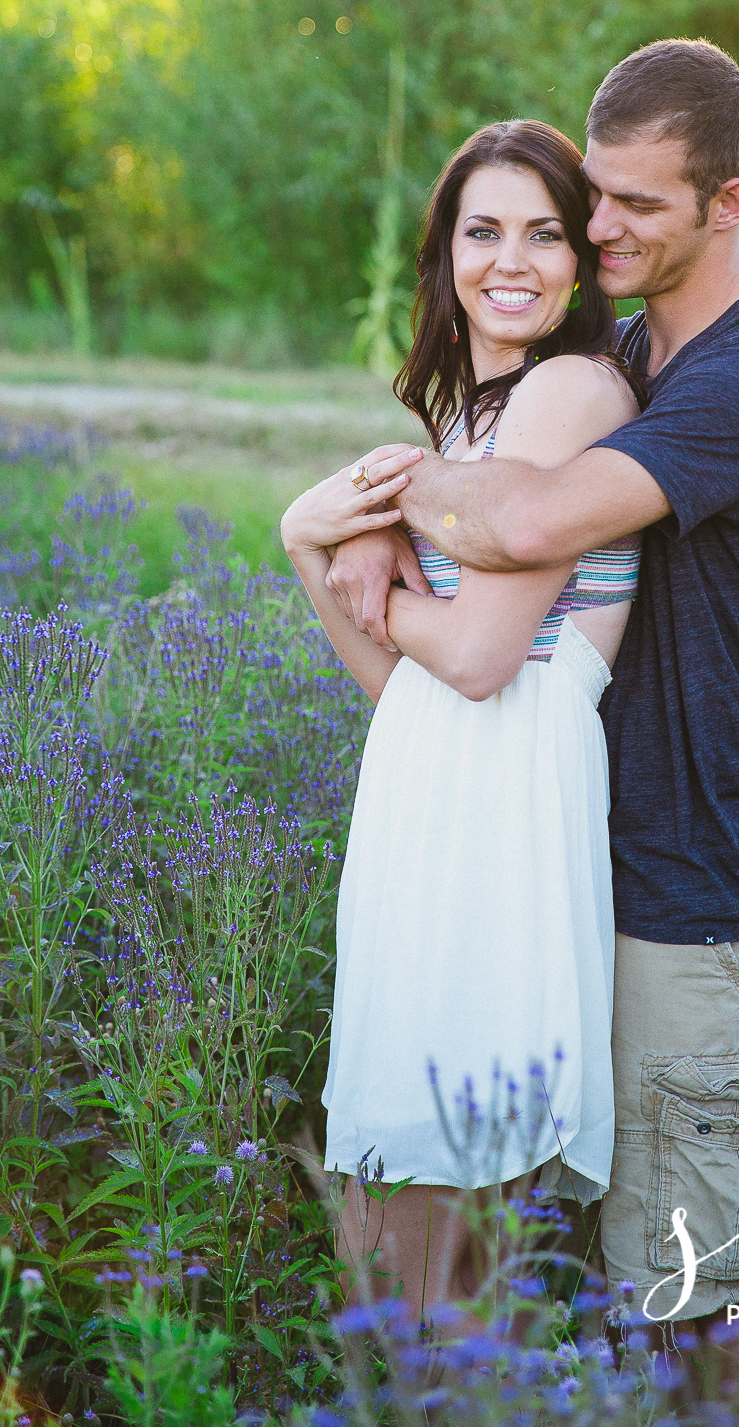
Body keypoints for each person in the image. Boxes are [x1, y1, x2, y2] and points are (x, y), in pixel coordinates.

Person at [329, 39, 739, 1391]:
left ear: (727, 203)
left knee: (706, 1292)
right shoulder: (621, 351)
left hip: (697, 893)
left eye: (633, 205)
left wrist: (366, 500)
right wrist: (381, 528)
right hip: (587, 865)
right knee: (588, 1266)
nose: (599, 228)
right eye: (590, 198)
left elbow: (530, 519)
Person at [279, 119, 643, 1322]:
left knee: (459, 1180)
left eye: (545, 232)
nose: (513, 259)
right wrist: (309, 544)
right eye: (483, 230)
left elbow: (483, 657)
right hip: (434, 790)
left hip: (508, 804)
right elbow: (404, 693)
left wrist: (365, 554)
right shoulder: (465, 425)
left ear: (581, 261)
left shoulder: (568, 389)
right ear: (444, 254)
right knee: (399, 1184)